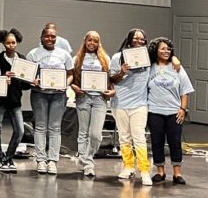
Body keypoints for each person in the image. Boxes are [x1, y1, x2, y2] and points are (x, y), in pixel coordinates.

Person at [26, 25, 74, 175]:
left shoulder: (64, 54)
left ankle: (52, 161)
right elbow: (27, 75)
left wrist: (65, 84)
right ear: (41, 38)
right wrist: (32, 81)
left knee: (55, 128)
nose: (50, 39)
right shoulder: (33, 54)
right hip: (39, 94)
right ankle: (41, 159)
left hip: (58, 95)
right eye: (47, 36)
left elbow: (71, 74)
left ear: (56, 38)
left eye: (53, 36)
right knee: (40, 127)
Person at [109, 28, 153, 186]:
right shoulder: (117, 57)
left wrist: (174, 60)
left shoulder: (149, 58)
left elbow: (166, 54)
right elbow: (112, 79)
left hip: (139, 104)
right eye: (135, 38)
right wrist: (121, 72)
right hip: (120, 103)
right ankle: (128, 166)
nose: (139, 41)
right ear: (129, 39)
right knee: (124, 137)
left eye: (142, 39)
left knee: (139, 137)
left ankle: (144, 170)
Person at [146, 36, 193, 185]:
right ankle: (160, 171)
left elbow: (185, 91)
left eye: (168, 49)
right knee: (157, 141)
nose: (166, 51)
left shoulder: (177, 67)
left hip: (174, 111)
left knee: (175, 142)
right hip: (154, 111)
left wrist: (183, 109)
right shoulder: (150, 67)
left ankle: (177, 173)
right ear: (156, 50)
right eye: (163, 49)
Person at [69, 31, 115, 178]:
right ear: (85, 41)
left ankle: (86, 157)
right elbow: (71, 77)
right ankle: (88, 163)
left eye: (95, 41)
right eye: (90, 40)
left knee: (95, 135)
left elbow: (111, 78)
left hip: (100, 99)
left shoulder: (105, 58)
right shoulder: (77, 59)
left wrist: (112, 91)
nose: (92, 43)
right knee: (83, 132)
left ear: (98, 43)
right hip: (83, 97)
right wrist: (74, 87)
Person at [0, 28, 27, 173]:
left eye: (13, 43)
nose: (11, 45)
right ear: (3, 43)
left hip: (15, 100)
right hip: (0, 100)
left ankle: (8, 158)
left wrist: (26, 80)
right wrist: (3, 77)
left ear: (17, 43)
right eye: (8, 43)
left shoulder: (22, 59)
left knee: (20, 131)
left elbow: (26, 85)